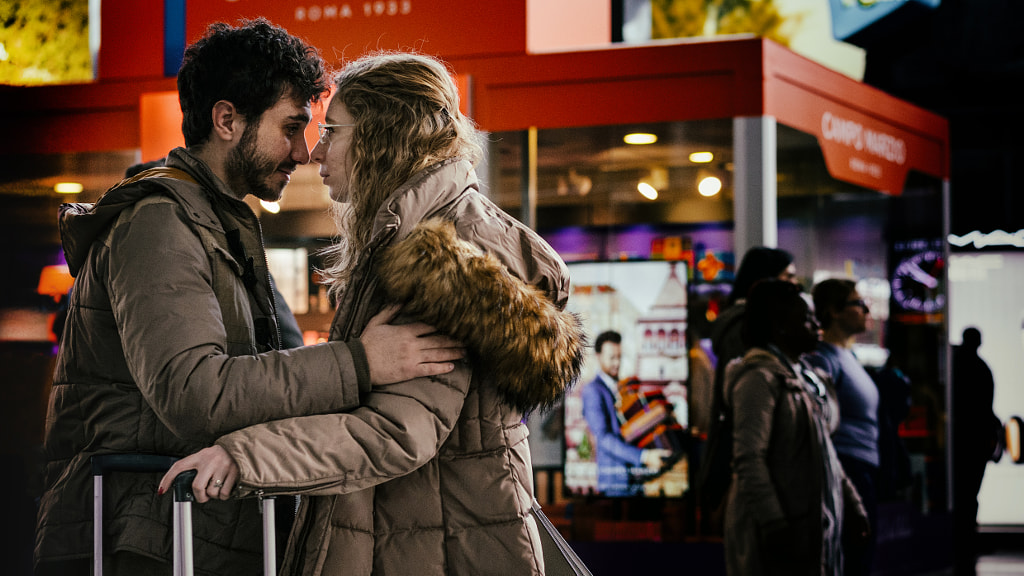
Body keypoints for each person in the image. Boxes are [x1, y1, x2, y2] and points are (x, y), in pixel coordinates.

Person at [35, 22, 464, 576]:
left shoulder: (222, 225)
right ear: (227, 120)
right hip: (142, 542)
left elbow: (279, 379)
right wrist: (363, 361)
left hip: (185, 533)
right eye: (290, 128)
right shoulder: (160, 224)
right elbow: (196, 395)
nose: (304, 151)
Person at [159, 51, 586, 576]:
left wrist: (243, 457)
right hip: (424, 535)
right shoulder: (415, 233)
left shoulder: (445, 254)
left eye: (334, 131)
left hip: (442, 546)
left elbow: (397, 430)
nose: (316, 152)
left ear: (384, 137)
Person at [722, 279, 868, 576]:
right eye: (807, 318)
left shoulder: (805, 376)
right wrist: (774, 523)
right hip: (781, 533)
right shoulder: (758, 379)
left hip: (813, 526)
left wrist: (852, 505)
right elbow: (749, 459)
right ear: (781, 326)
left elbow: (826, 452)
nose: (817, 325)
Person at [699, 246, 797, 512]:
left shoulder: (742, 324)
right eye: (788, 276)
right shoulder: (742, 329)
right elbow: (746, 410)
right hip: (741, 465)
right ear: (765, 281)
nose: (795, 285)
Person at [807, 278, 880, 576]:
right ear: (834, 311)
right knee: (852, 556)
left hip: (859, 466)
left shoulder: (846, 356)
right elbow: (819, 418)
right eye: (858, 303)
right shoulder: (824, 357)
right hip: (846, 467)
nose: (865, 310)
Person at [581, 331, 671, 496]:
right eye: (612, 357)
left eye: (619, 357)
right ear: (598, 356)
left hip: (633, 479)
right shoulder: (592, 390)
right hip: (614, 483)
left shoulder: (622, 387)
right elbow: (604, 439)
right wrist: (644, 456)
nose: (617, 363)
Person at [951, 327, 999, 576]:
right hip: (975, 443)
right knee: (970, 495)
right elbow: (987, 409)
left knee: (962, 495)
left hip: (962, 443)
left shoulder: (956, 365)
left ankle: (962, 541)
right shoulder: (981, 369)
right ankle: (967, 540)